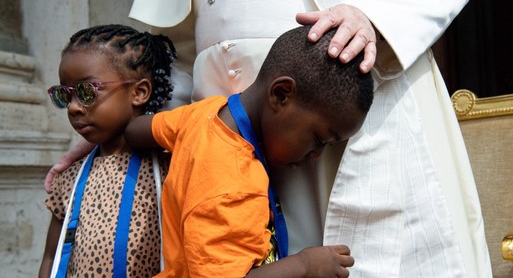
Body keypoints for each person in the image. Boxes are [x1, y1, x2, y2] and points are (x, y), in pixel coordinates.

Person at [46, 0, 493, 277]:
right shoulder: (199, 128)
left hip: (349, 89)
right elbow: (175, 55)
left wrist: (373, 17)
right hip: (221, 128)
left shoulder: (319, 132)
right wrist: (104, 135)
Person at [123, 25, 372, 277]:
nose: (316, 155)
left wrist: (114, 128)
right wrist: (305, 265)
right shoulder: (232, 185)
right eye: (319, 139)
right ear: (281, 94)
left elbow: (140, 130)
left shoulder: (204, 114)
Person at [38, 24, 175, 278]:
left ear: (139, 92)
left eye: (86, 92)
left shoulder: (171, 171)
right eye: (64, 95)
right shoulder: (69, 178)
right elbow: (51, 256)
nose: (73, 108)